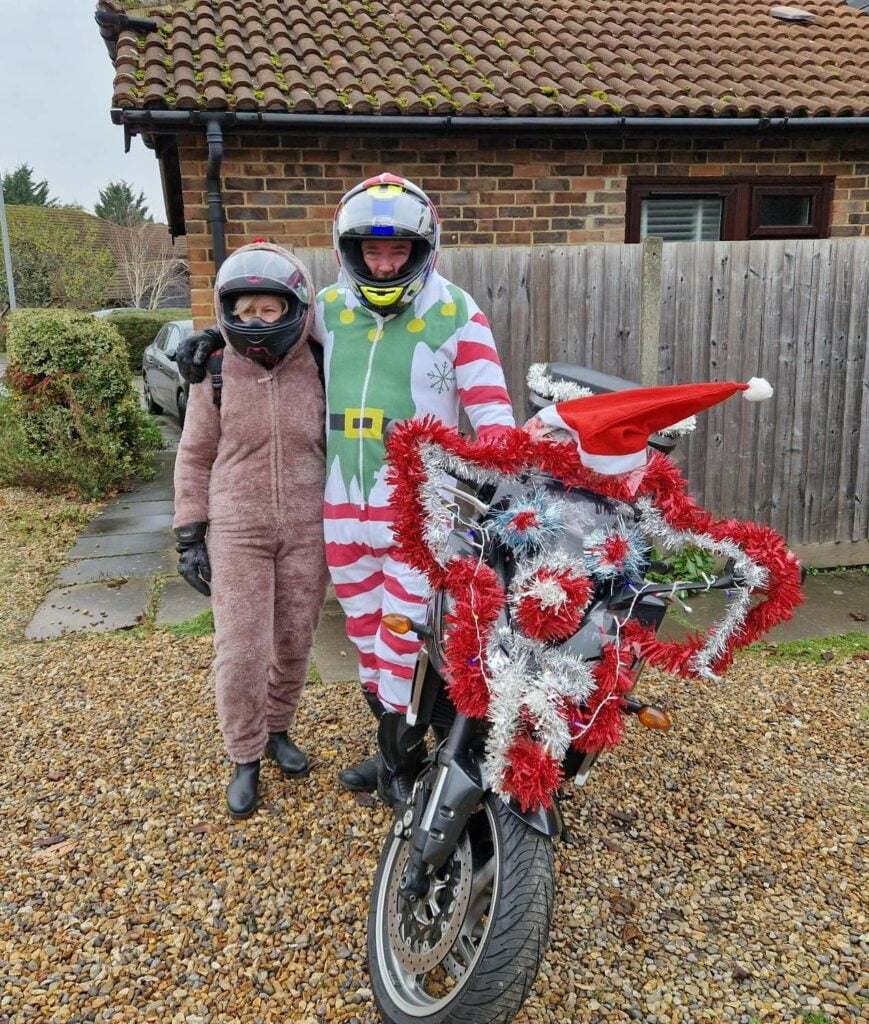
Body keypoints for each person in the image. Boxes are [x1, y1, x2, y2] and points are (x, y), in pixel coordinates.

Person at [177, 173, 515, 806]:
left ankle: (402, 767)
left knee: (405, 639)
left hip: (418, 516)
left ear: (423, 250)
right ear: (350, 251)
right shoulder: (327, 309)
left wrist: (504, 482)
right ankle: (397, 754)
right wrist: (209, 342)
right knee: (365, 639)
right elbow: (259, 330)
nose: (384, 264)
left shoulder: (457, 311)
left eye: (397, 252)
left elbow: (493, 414)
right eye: (371, 251)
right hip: (339, 515)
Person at [173, 242, 329, 820]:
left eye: (268, 309)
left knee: (293, 639)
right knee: (242, 647)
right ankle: (244, 755)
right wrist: (190, 534)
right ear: (226, 313)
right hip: (237, 528)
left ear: (293, 307)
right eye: (243, 311)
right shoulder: (214, 369)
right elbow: (193, 456)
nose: (255, 321)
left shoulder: (321, 359)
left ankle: (278, 728)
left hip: (309, 526)